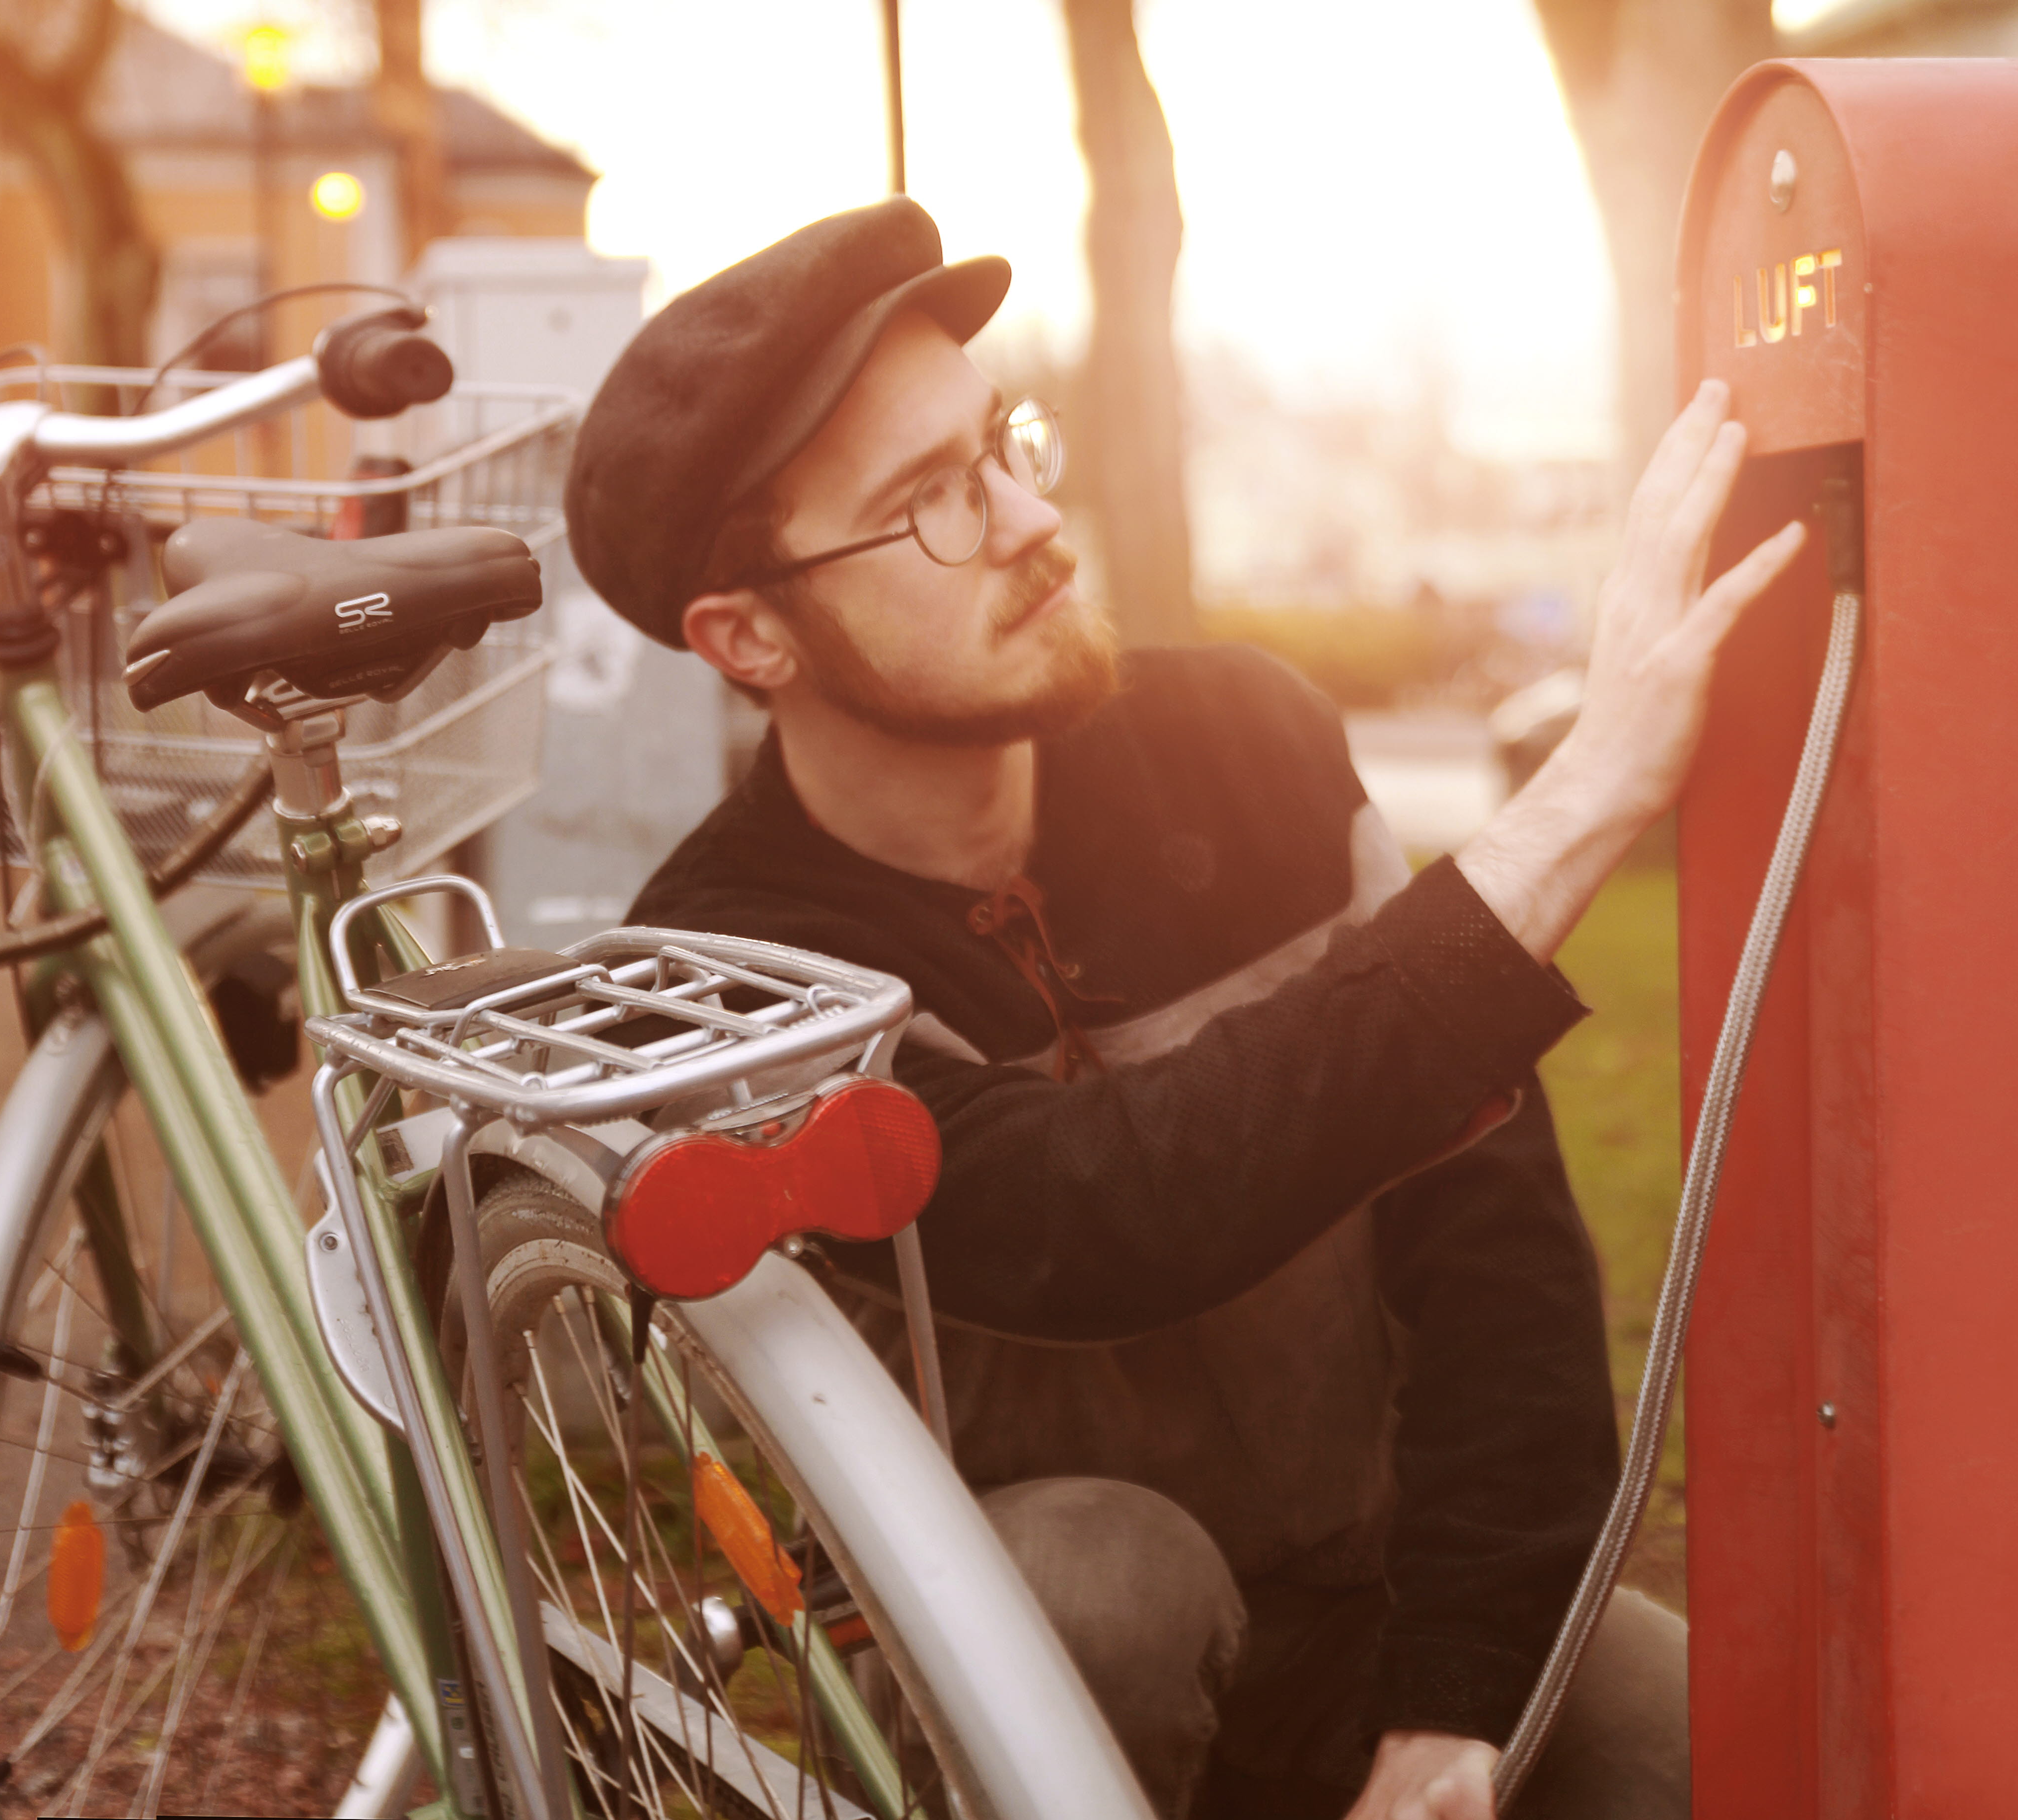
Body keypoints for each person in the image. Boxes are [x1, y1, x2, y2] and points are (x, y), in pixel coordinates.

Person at [562, 199, 1802, 1820]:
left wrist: (1455, 1703)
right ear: (748, 637)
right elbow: (1110, 1208)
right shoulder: (723, 971)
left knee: (1702, 1744)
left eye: (1000, 446)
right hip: (1023, 1660)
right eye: (928, 505)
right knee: (1108, 1580)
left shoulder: (1251, 743)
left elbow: (1493, 1250)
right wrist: (1585, 796)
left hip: (1373, 1618)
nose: (1026, 522)